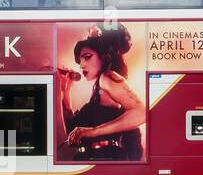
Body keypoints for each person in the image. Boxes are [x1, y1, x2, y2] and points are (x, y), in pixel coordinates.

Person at [56, 24, 144, 162]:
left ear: (104, 55)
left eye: (87, 57)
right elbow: (72, 133)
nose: (81, 65)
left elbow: (141, 113)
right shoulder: (99, 89)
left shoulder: (107, 77)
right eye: (80, 60)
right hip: (90, 160)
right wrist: (65, 90)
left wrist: (91, 132)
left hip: (105, 160)